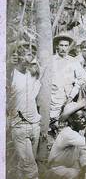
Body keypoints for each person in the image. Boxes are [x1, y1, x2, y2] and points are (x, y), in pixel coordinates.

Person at [8, 42, 41, 179]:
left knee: (24, 165)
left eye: (32, 53)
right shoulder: (10, 74)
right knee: (31, 168)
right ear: (18, 55)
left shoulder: (32, 73)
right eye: (27, 53)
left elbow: (38, 69)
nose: (30, 56)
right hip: (19, 125)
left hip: (34, 124)